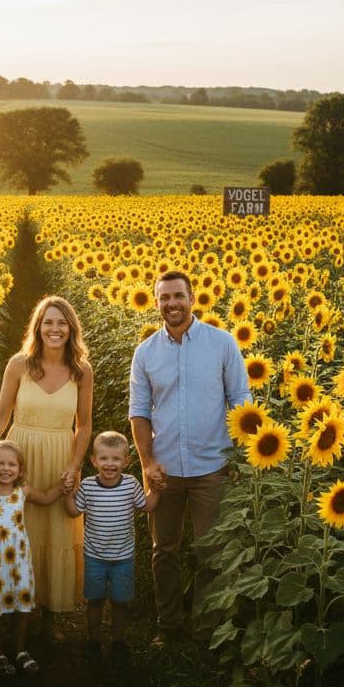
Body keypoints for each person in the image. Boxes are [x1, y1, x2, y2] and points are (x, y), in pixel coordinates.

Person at [129, 270, 251, 637]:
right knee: (163, 550)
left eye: (178, 296)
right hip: (165, 468)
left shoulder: (222, 343)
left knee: (211, 551)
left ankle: (206, 627)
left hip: (211, 465)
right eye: (164, 298)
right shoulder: (145, 352)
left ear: (193, 299)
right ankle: (169, 624)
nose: (172, 304)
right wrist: (148, 464)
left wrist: (241, 457)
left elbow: (241, 400)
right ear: (156, 304)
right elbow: (139, 411)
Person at [0, 295, 93, 638]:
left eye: (62, 322)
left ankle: (48, 618)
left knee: (55, 533)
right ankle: (14, 610)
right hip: (20, 456)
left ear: (71, 329)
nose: (55, 329)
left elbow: (84, 425)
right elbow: (1, 414)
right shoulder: (19, 365)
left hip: (59, 457)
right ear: (38, 327)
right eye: (48, 322)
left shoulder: (82, 371)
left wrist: (75, 464)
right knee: (19, 533)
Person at [0, 439, 60, 675]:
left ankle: (20, 650)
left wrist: (67, 486)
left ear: (21, 470)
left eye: (12, 465)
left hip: (17, 558)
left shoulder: (21, 492)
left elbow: (46, 497)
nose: (6, 469)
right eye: (0, 464)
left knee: (22, 604)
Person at [62, 431, 159, 661]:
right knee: (94, 601)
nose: (110, 464)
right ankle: (93, 641)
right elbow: (74, 511)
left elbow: (147, 507)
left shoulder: (130, 484)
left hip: (123, 557)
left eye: (116, 459)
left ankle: (118, 641)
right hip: (94, 556)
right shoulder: (87, 486)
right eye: (104, 458)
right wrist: (67, 494)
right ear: (93, 461)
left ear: (126, 461)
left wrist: (157, 489)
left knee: (119, 602)